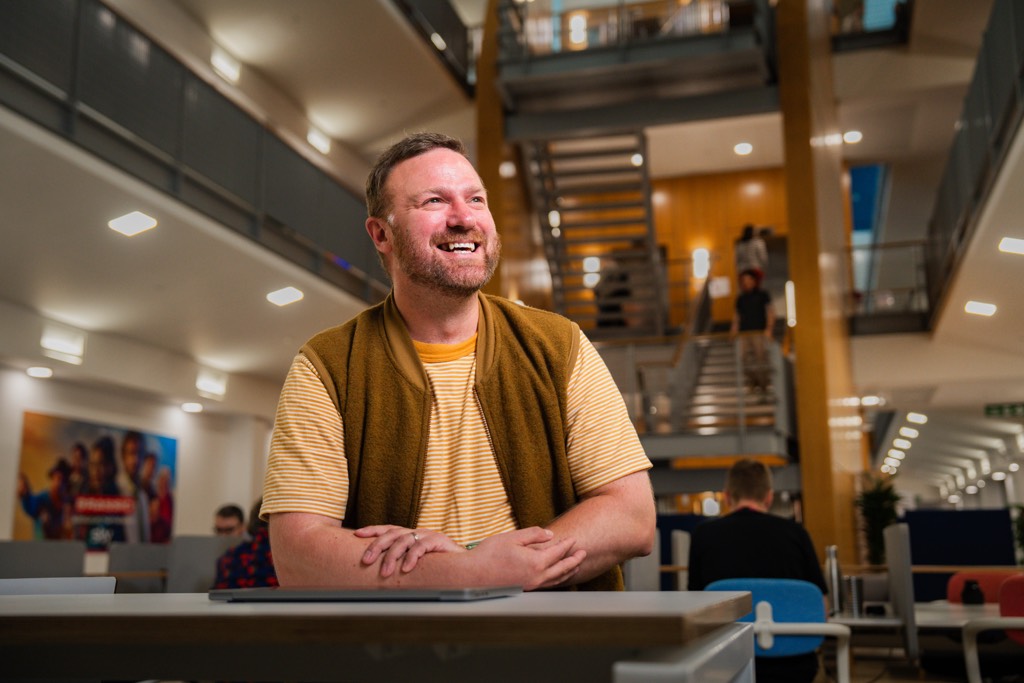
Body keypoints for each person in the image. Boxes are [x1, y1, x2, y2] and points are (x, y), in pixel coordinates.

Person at [263, 131, 655, 592]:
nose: (464, 217)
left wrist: (497, 565)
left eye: (476, 199)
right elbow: (297, 555)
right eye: (434, 201)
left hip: (554, 652)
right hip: (394, 658)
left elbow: (632, 516)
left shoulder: (558, 344)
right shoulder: (327, 366)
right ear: (381, 234)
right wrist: (469, 573)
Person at [688, 459, 828, 683]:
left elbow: (694, 604)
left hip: (725, 662)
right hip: (794, 664)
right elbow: (820, 605)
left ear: (727, 496)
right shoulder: (796, 533)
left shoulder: (703, 535)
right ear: (769, 497)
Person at [213, 498, 278, 589]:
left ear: (243, 526)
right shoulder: (283, 559)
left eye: (229, 530)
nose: (223, 536)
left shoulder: (228, 559)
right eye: (219, 530)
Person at [731, 268, 775, 398]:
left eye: (748, 280)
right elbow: (737, 316)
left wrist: (769, 329)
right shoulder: (740, 298)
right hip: (744, 333)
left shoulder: (763, 295)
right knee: (743, 358)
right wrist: (733, 330)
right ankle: (753, 381)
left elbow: (770, 312)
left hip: (759, 332)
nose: (746, 282)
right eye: (743, 280)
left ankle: (763, 385)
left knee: (761, 358)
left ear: (754, 281)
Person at [17, 459, 73, 539]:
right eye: (57, 478)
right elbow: (31, 505)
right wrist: (25, 494)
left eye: (63, 480)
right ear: (52, 478)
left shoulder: (68, 504)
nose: (59, 483)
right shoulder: (43, 498)